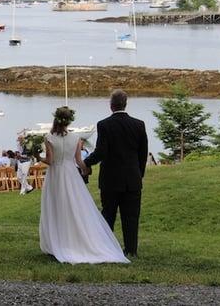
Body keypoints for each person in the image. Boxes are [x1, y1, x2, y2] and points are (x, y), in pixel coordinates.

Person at [39, 106, 130, 264]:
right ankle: (74, 241)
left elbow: (50, 161)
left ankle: (58, 243)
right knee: (75, 206)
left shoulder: (49, 138)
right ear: (69, 121)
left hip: (56, 176)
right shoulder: (77, 138)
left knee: (56, 207)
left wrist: (37, 156)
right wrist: (85, 170)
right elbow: (79, 161)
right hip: (72, 175)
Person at [82, 89, 148, 258]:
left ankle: (107, 247)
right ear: (125, 104)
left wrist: (85, 163)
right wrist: (138, 174)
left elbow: (101, 152)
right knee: (131, 216)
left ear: (111, 105)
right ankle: (131, 249)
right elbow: (143, 153)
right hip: (132, 179)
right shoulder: (139, 124)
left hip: (110, 179)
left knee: (108, 214)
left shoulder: (104, 125)